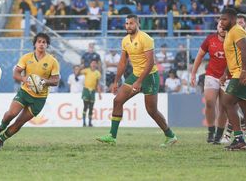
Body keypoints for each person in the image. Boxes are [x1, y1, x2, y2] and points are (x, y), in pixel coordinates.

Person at [97, 14, 177, 146]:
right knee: (117, 101)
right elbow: (122, 62)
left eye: (131, 23)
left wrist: (139, 81)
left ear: (137, 24)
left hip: (149, 77)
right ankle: (112, 136)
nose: (128, 26)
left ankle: (170, 136)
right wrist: (116, 82)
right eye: (127, 23)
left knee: (152, 111)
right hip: (135, 75)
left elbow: (150, 63)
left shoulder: (146, 39)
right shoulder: (125, 40)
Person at [0, 33, 60, 149]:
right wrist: (23, 78)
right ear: (35, 44)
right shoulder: (26, 58)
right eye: (39, 41)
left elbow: (56, 80)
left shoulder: (52, 61)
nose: (41, 44)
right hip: (25, 92)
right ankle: (0, 127)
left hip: (39, 99)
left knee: (19, 122)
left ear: (47, 45)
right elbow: (15, 73)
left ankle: (2, 139)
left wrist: (43, 82)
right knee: (11, 114)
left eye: (44, 42)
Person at [191, 23, 228, 143]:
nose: (222, 28)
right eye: (219, 26)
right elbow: (200, 55)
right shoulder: (210, 39)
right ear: (216, 27)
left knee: (223, 107)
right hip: (211, 75)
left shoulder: (233, 40)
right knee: (209, 102)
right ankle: (211, 130)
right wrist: (193, 73)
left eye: (224, 26)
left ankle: (219, 135)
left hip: (228, 77)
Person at [219, 8, 246, 150]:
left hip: (240, 74)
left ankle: (239, 139)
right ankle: (240, 140)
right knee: (243, 106)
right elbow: (233, 56)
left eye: (224, 19)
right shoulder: (230, 33)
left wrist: (244, 71)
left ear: (233, 19)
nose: (221, 22)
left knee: (227, 101)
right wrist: (225, 74)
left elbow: (244, 50)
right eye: (220, 19)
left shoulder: (237, 30)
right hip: (235, 72)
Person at [80, 60, 102, 127]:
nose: (93, 64)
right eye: (92, 63)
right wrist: (81, 67)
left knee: (91, 107)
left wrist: (99, 93)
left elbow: (98, 84)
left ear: (96, 65)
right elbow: (78, 73)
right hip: (86, 90)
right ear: (90, 64)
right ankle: (84, 122)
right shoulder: (86, 70)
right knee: (85, 106)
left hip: (92, 91)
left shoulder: (97, 73)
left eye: (95, 63)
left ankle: (90, 122)